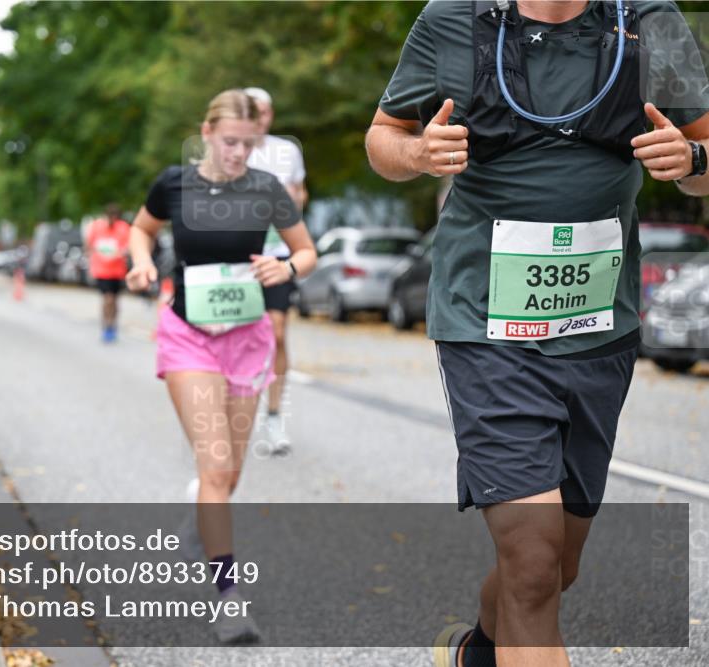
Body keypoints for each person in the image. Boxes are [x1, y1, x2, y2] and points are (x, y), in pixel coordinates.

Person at [365, 2, 708, 666]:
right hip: (486, 323)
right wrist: (417, 152)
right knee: (531, 556)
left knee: (557, 565)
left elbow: (705, 164)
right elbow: (384, 137)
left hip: (599, 328)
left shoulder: (650, 22)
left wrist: (691, 158)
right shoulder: (455, 21)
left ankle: (479, 651)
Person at [126, 89, 317, 644]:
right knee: (214, 468)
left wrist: (286, 267)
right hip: (188, 337)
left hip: (247, 339)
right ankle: (229, 598)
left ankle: (198, 524)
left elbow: (305, 251)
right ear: (207, 133)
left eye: (249, 144)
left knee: (228, 475)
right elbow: (142, 229)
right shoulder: (174, 183)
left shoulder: (266, 188)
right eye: (231, 142)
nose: (239, 154)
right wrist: (141, 265)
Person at [244, 86, 308, 456]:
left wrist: (288, 198)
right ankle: (233, 406)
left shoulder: (287, 151)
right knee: (238, 334)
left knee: (278, 334)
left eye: (266, 111)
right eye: (254, 111)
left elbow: (301, 194)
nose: (261, 117)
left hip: (278, 253)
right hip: (240, 256)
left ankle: (273, 414)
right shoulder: (231, 148)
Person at [85, 203, 131, 342]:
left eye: (115, 218)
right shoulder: (97, 226)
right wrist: (93, 255)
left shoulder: (123, 228)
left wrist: (122, 252)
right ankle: (106, 325)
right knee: (107, 298)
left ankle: (113, 323)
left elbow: (128, 246)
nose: (112, 221)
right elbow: (89, 245)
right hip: (101, 270)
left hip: (117, 271)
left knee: (114, 300)